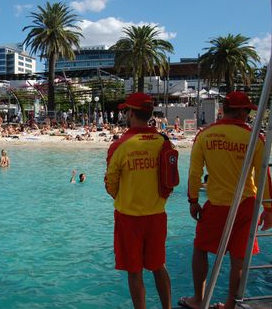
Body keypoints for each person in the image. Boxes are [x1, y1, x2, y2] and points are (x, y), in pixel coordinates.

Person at [179, 92, 272, 309]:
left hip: (217, 204)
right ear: (240, 111)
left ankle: (199, 299)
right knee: (238, 258)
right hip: (246, 204)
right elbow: (263, 175)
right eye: (247, 111)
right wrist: (268, 208)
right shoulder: (254, 137)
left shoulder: (205, 135)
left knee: (200, 249)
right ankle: (231, 304)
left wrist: (193, 200)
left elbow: (194, 172)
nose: (249, 115)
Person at [105, 93, 172, 309]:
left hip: (128, 217)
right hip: (157, 215)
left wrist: (126, 196)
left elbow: (110, 184)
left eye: (126, 111)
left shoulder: (120, 145)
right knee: (159, 266)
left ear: (132, 113)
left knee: (135, 272)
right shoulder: (164, 142)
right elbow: (170, 180)